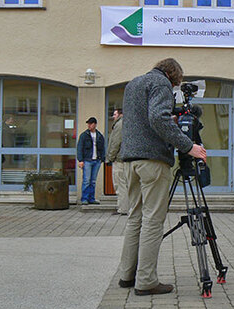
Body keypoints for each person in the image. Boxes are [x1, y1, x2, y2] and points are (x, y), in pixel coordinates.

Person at [117, 58, 207, 296]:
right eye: (176, 83)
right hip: (152, 161)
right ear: (171, 74)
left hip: (131, 161)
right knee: (153, 220)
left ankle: (127, 275)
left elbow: (144, 119)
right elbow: (157, 118)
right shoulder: (161, 84)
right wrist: (189, 146)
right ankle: (146, 281)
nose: (176, 87)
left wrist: (170, 122)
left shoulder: (134, 83)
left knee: (134, 218)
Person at [77, 117, 105, 205]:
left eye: (91, 123)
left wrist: (102, 159)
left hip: (96, 161)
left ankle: (91, 198)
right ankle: (84, 199)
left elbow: (102, 148)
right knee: (86, 180)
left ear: (95, 124)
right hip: (87, 160)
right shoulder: (84, 135)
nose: (89, 125)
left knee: (93, 181)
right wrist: (80, 160)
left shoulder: (99, 136)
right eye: (88, 124)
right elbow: (79, 148)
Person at [106, 108, 128, 216]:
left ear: (120, 115)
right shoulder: (127, 122)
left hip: (119, 159)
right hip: (126, 159)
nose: (113, 117)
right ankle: (125, 207)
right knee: (125, 185)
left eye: (114, 114)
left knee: (120, 186)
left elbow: (115, 143)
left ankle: (123, 209)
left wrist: (110, 157)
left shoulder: (119, 125)